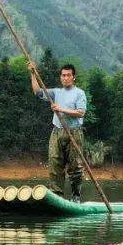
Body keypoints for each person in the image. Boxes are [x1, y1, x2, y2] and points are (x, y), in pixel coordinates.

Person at [29, 62, 87, 202]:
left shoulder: (79, 93)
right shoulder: (56, 92)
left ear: (74, 77)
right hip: (57, 132)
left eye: (68, 75)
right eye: (63, 75)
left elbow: (80, 113)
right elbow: (37, 92)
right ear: (60, 77)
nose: (65, 78)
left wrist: (60, 109)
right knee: (55, 164)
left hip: (73, 133)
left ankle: (76, 196)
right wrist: (32, 73)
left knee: (75, 167)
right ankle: (57, 196)